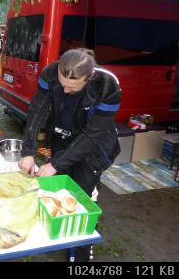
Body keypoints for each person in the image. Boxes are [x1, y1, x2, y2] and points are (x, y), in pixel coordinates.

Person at [18, 48, 121, 262]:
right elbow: (37, 111)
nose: (65, 90)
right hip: (62, 140)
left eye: (72, 87)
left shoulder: (107, 86)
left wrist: (56, 164)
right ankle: (59, 235)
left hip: (94, 147)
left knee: (82, 198)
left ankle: (82, 250)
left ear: (89, 77)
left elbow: (91, 135)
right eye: (62, 83)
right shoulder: (49, 73)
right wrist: (28, 151)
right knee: (57, 193)